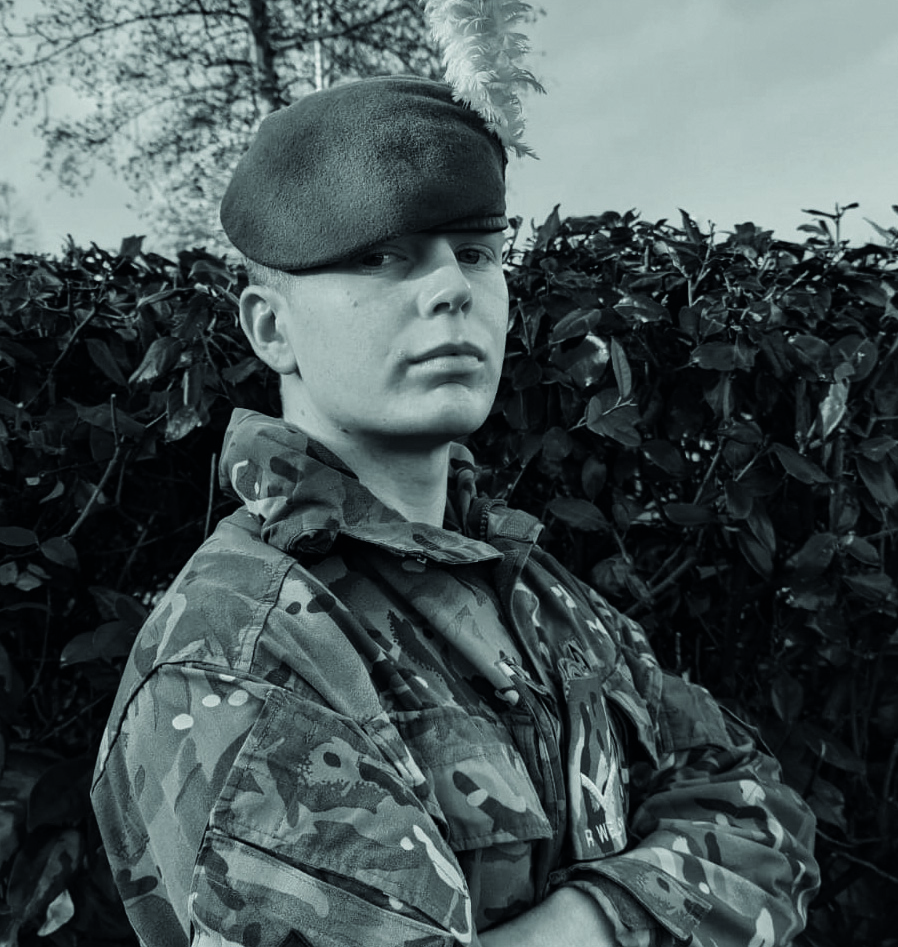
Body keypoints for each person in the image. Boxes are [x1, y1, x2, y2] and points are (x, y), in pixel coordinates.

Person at [90, 73, 819, 947]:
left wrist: (598, 916)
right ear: (271, 327)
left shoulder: (539, 594)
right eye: (382, 257)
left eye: (475, 252)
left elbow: (764, 812)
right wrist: (665, 893)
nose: (451, 287)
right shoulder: (240, 649)